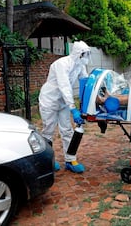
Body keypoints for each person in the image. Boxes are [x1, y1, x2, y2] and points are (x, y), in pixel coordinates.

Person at [38, 41, 91, 173]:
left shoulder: (80, 65)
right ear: (78, 54)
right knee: (48, 131)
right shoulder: (62, 64)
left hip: (63, 103)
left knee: (67, 130)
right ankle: (47, 161)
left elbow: (85, 81)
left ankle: (70, 159)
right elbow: (64, 86)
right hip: (49, 100)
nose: (86, 57)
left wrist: (86, 103)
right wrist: (73, 108)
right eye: (85, 54)